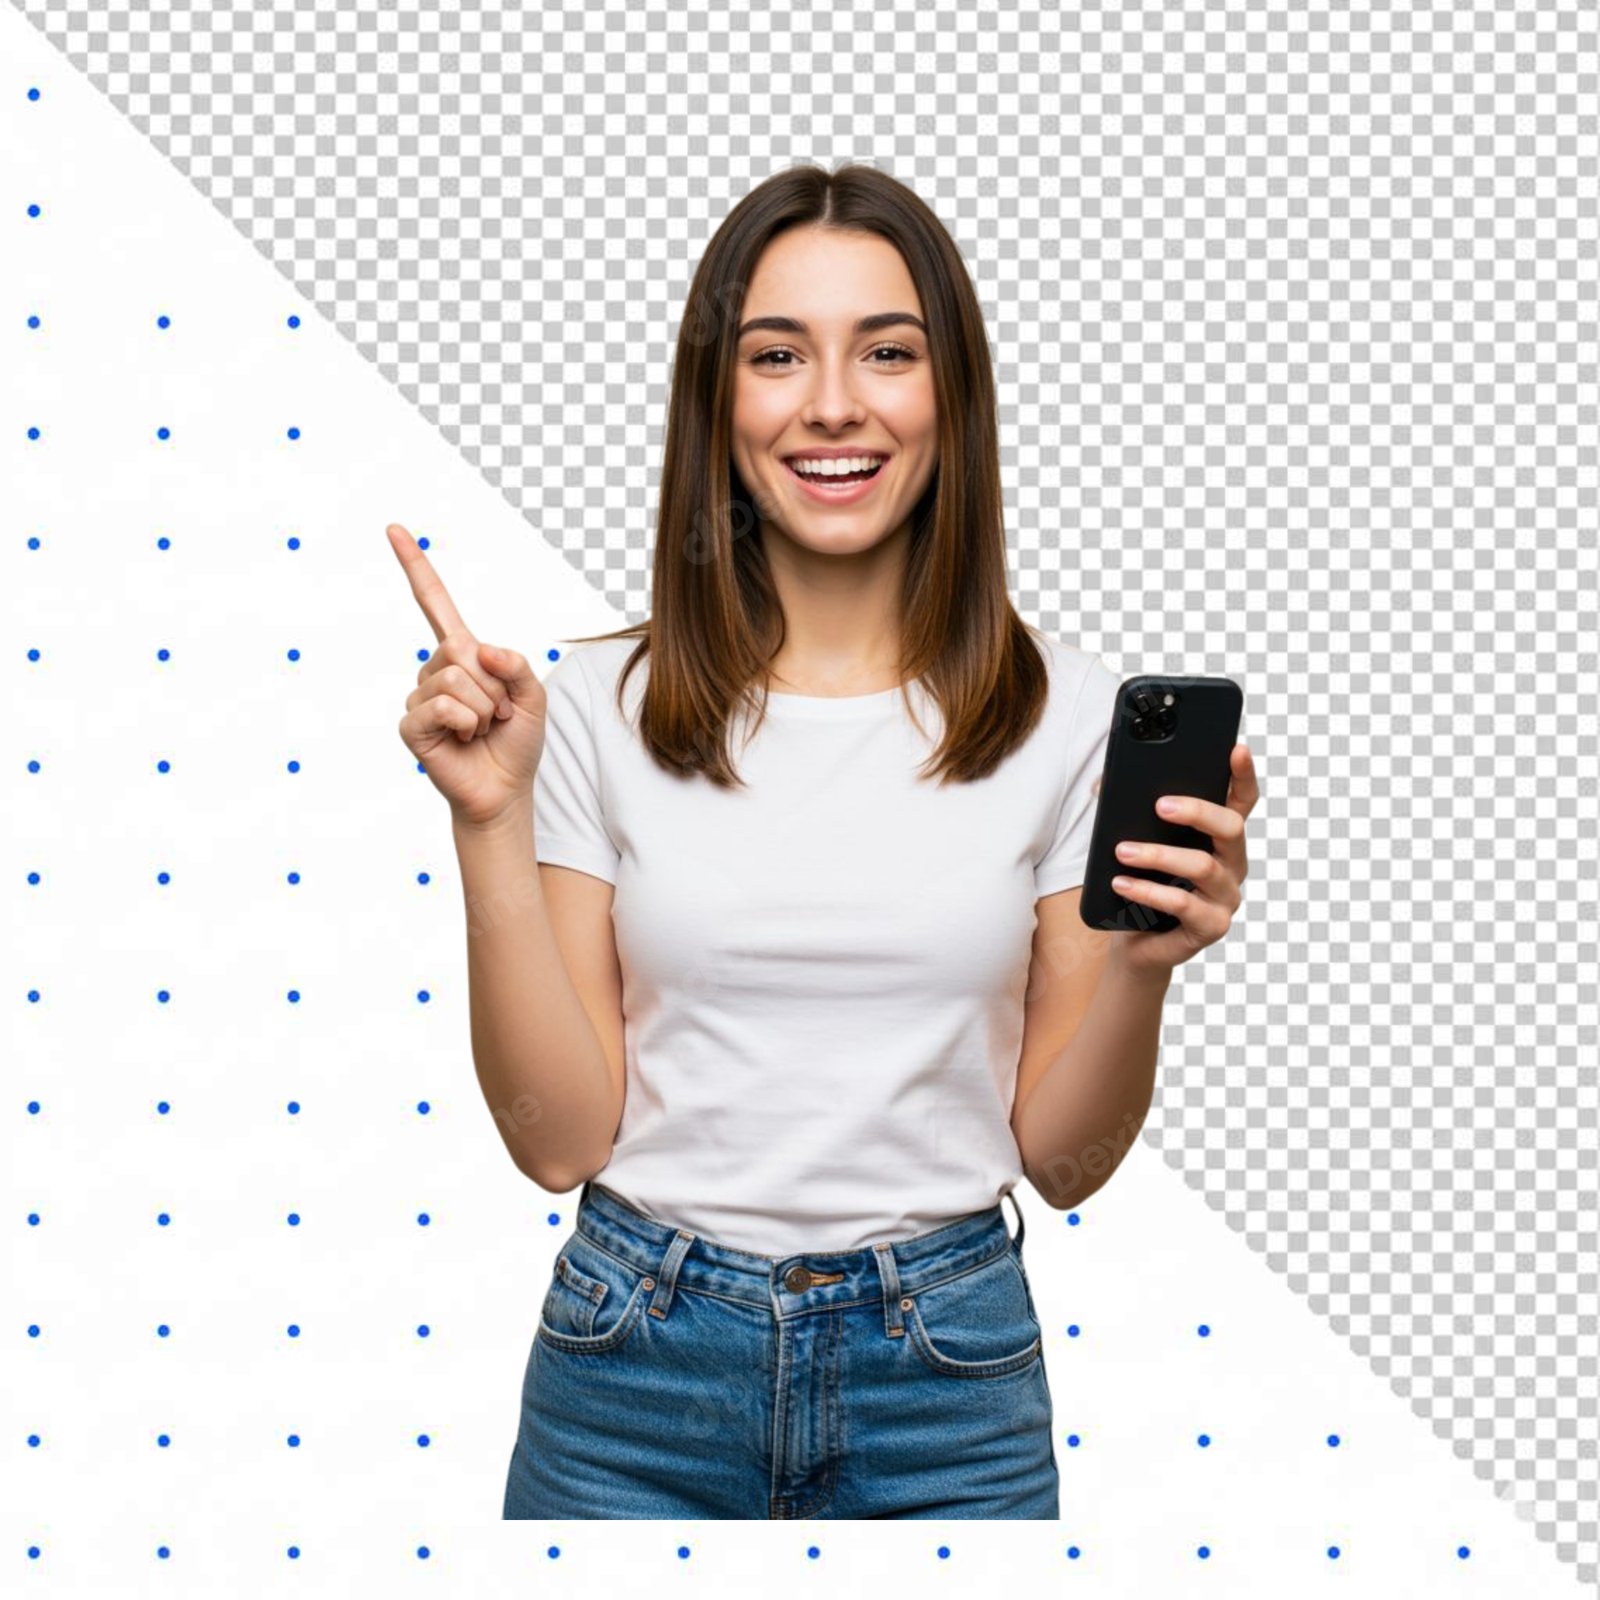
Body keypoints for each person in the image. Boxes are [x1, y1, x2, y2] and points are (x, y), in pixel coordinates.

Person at [389, 162, 1257, 1520]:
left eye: (889, 352)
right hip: (634, 1377)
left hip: (947, 1382)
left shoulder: (1069, 718)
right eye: (778, 354)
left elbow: (1065, 1163)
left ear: (949, 395)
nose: (835, 403)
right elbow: (560, 1142)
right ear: (715, 403)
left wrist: (1147, 964)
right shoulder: (596, 712)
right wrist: (490, 821)